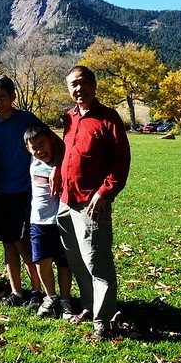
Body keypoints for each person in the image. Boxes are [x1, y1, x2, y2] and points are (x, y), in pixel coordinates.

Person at [55, 65, 131, 340]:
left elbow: (121, 164)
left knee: (98, 264)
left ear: (93, 84)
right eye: (72, 85)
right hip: (66, 200)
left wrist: (103, 193)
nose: (78, 89)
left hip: (91, 203)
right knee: (76, 261)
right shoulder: (69, 117)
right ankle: (89, 307)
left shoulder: (108, 119)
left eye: (82, 82)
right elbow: (65, 154)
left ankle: (104, 321)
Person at [0, 75, 44, 309]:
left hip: (25, 191)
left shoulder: (26, 120)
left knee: (24, 243)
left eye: (2, 98)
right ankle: (17, 291)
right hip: (1, 193)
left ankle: (38, 290)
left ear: (12, 97)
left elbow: (47, 143)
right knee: (8, 243)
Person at [24, 123, 73, 319]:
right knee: (41, 261)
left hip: (61, 220)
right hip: (38, 220)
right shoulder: (33, 160)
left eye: (42, 144)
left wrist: (58, 167)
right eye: (33, 147)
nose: (39, 150)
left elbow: (64, 144)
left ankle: (66, 300)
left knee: (63, 263)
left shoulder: (63, 159)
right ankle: (50, 297)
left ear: (51, 140)